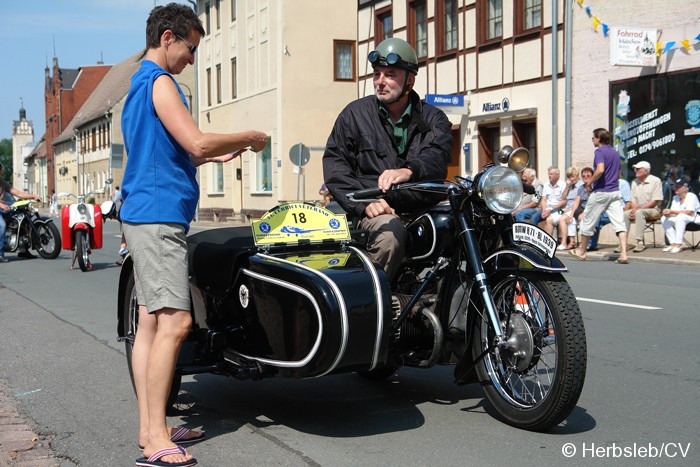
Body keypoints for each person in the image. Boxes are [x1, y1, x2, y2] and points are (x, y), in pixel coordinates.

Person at [120, 4, 267, 467]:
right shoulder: (162, 83)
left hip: (142, 212)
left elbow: (174, 150)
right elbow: (197, 141)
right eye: (190, 48)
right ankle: (156, 439)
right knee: (177, 324)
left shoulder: (137, 85)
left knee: (148, 323)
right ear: (167, 38)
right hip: (160, 219)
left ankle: (152, 425)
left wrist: (206, 157)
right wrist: (246, 136)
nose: (191, 59)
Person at [323, 37, 452, 280]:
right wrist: (364, 205)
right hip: (372, 210)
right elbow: (335, 166)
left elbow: (438, 154)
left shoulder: (434, 118)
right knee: (390, 234)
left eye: (390, 74)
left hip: (420, 208)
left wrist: (409, 170)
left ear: (409, 80)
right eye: (376, 74)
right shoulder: (355, 115)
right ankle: (377, 305)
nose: (380, 81)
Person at [570, 128, 629, 263]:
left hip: (601, 191)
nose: (592, 140)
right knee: (619, 223)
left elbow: (600, 169)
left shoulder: (599, 151)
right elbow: (618, 173)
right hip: (615, 191)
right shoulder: (615, 153)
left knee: (587, 220)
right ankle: (624, 254)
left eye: (593, 138)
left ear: (598, 138)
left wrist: (589, 183)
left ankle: (582, 251)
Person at [0, 162, 43, 262]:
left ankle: (23, 250)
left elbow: (18, 193)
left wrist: (33, 196)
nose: (0, 171)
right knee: (1, 225)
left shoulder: (2, 183)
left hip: (5, 207)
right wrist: (1, 205)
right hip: (1, 207)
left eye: (0, 169)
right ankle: (0, 254)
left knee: (22, 218)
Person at [624, 160, 663, 253]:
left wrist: (639, 209)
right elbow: (633, 199)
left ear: (646, 171)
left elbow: (655, 201)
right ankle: (623, 243)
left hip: (653, 210)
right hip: (638, 209)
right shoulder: (634, 182)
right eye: (635, 169)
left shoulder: (656, 181)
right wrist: (634, 209)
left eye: (638, 169)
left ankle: (639, 242)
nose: (635, 170)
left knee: (639, 213)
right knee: (625, 214)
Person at [588, 172, 631, 251]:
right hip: (605, 212)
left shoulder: (622, 183)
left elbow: (628, 201)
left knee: (619, 222)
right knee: (595, 217)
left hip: (618, 210)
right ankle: (591, 245)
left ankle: (623, 246)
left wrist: (625, 213)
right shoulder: (604, 185)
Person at [661, 178, 700, 253]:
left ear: (685, 188)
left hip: (694, 220)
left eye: (678, 186)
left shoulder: (692, 196)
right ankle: (673, 243)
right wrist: (667, 213)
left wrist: (672, 211)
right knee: (664, 219)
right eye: (675, 186)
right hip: (681, 220)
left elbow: (689, 212)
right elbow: (674, 213)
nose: (676, 188)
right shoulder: (675, 197)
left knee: (681, 217)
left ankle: (679, 244)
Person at [549, 166, 583, 250]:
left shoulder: (580, 185)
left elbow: (579, 201)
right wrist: (567, 186)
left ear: (577, 176)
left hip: (574, 209)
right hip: (565, 209)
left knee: (562, 219)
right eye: (569, 177)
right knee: (549, 219)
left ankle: (564, 242)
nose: (571, 179)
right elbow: (563, 198)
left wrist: (569, 210)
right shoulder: (570, 186)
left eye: (573, 176)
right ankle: (549, 242)